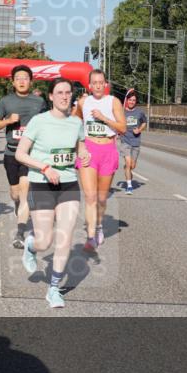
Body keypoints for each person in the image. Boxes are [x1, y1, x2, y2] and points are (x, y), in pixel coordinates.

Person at [16, 78, 90, 307]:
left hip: (68, 184)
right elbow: (21, 154)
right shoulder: (39, 121)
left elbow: (80, 147)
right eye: (59, 92)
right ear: (50, 96)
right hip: (42, 183)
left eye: (68, 92)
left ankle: (54, 289)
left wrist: (84, 155)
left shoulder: (76, 123)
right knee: (44, 241)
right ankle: (30, 246)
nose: (64, 96)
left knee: (66, 237)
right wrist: (45, 167)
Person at [0, 65, 47, 248]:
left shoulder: (39, 102)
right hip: (11, 153)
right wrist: (8, 121)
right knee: (15, 193)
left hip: (30, 154)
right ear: (13, 82)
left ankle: (19, 233)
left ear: (31, 81)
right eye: (18, 78)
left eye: (25, 78)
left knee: (25, 192)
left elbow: (47, 123)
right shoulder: (6, 101)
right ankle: (19, 207)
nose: (21, 81)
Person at [74, 69, 126, 252]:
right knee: (90, 196)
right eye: (94, 82)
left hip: (108, 150)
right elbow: (74, 121)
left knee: (102, 198)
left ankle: (99, 227)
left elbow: (123, 127)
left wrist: (104, 118)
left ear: (105, 85)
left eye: (101, 82)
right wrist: (79, 143)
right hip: (89, 150)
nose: (97, 85)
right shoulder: (83, 102)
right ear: (89, 85)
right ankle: (90, 237)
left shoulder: (113, 101)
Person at [119, 89, 147, 194]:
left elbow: (144, 122)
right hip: (125, 140)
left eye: (134, 100)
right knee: (128, 162)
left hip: (136, 141)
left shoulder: (139, 112)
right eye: (130, 100)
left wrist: (139, 130)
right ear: (127, 100)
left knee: (132, 166)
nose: (131, 102)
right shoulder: (122, 112)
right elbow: (117, 122)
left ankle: (127, 168)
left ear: (136, 102)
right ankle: (129, 186)